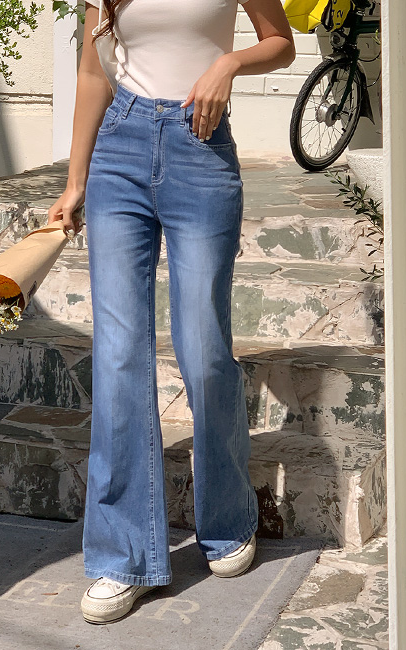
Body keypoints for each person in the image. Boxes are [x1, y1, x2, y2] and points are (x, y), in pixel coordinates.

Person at [47, 0, 295, 625]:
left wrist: (228, 65)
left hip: (201, 151)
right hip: (119, 153)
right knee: (118, 354)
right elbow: (93, 71)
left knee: (204, 348)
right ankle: (120, 555)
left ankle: (227, 517)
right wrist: (76, 182)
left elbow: (281, 43)